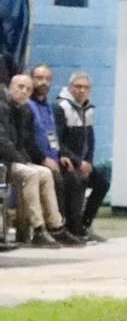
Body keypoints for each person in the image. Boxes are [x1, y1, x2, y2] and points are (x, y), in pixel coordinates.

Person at [0, 75, 79, 247]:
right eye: (20, 87)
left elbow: (26, 141)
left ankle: (56, 226)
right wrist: (21, 160)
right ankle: (38, 228)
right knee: (31, 174)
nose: (24, 91)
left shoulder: (25, 110)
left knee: (45, 173)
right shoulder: (2, 107)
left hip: (14, 160)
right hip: (4, 161)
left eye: (28, 89)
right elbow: (3, 141)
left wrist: (34, 160)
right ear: (10, 86)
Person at [28, 64, 88, 238]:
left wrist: (61, 155)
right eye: (39, 78)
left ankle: (73, 227)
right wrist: (43, 159)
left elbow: (53, 137)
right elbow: (27, 140)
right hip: (36, 159)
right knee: (58, 180)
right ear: (32, 79)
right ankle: (56, 228)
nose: (43, 82)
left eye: (47, 79)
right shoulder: (28, 106)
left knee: (75, 177)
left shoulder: (49, 107)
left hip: (53, 158)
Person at [54, 71, 109, 242]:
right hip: (66, 161)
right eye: (78, 87)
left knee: (102, 183)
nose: (81, 90)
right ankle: (73, 228)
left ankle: (85, 224)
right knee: (76, 182)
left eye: (85, 87)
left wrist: (89, 163)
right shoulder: (60, 107)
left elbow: (90, 141)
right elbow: (57, 141)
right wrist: (78, 162)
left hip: (83, 163)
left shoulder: (88, 109)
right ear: (70, 88)